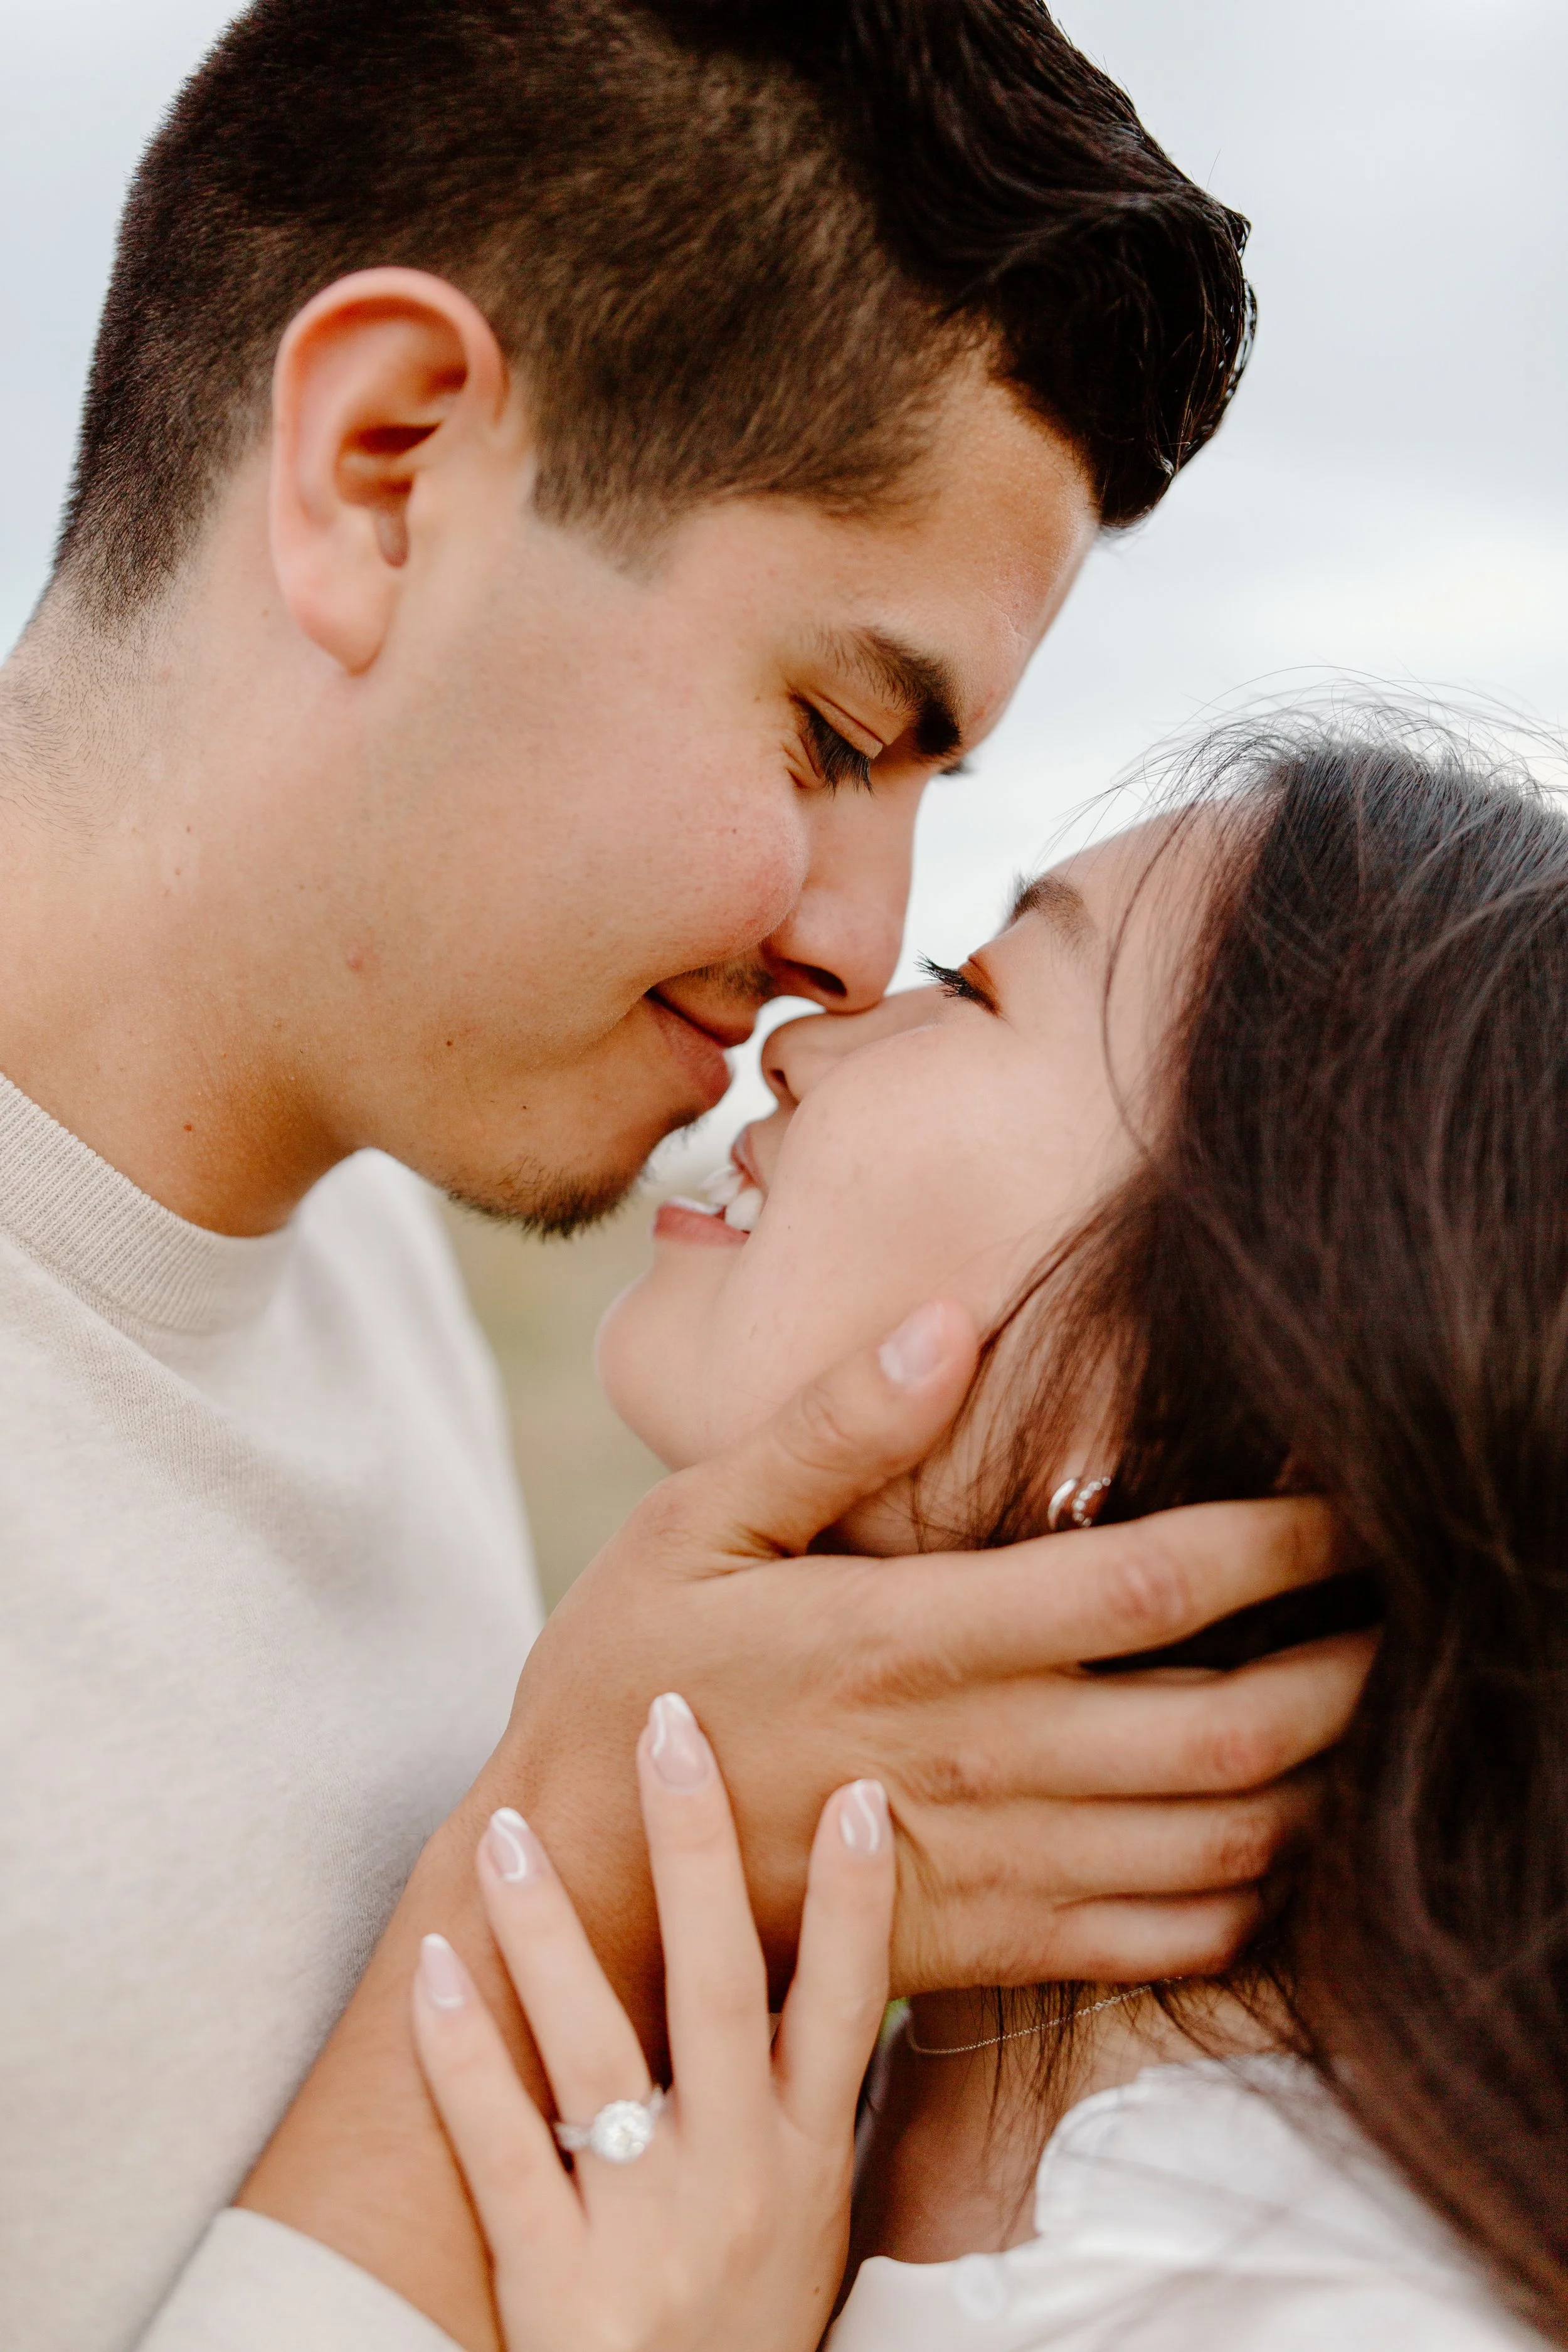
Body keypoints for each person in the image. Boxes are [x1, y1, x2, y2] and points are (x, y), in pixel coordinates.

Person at [0, 7, 1362, 2350]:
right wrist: (568, 1869)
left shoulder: (367, 1261)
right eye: (839, 732)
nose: (853, 945)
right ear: (386, 464)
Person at [406, 711, 1568, 2350]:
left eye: (969, 990)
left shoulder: (1286, 2309)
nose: (806, 1034)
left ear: (1167, 1378)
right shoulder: (870, 2120)